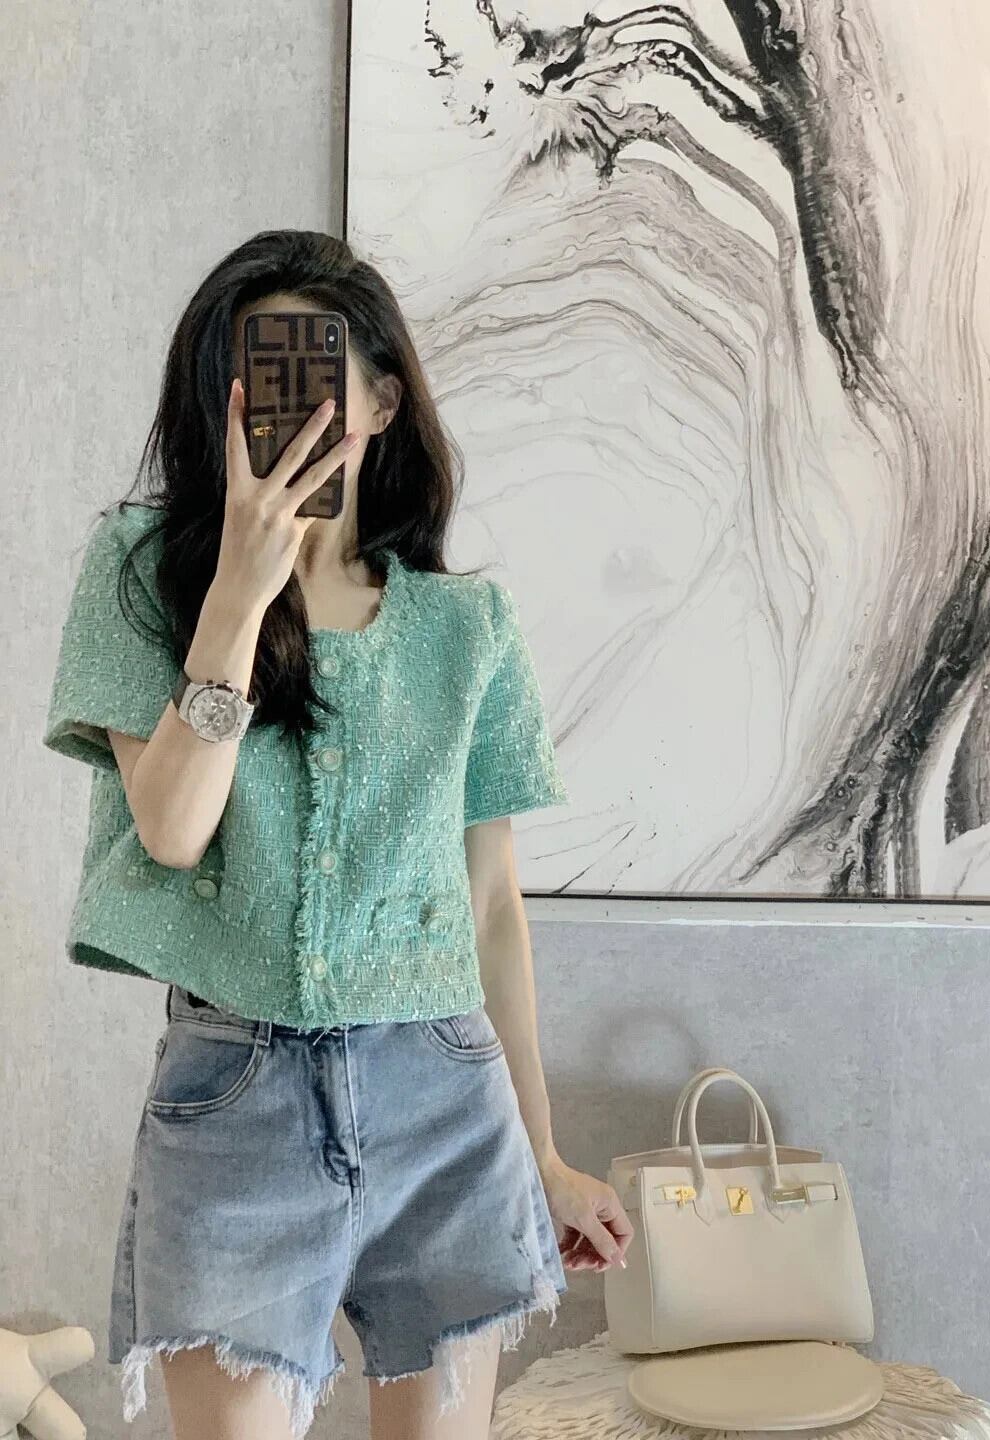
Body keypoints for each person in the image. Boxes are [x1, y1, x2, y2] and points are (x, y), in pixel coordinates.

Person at [42, 229, 634, 1440]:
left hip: (444, 1098)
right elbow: (170, 828)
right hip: (236, 1100)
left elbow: (490, 907)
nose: (270, 408)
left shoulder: (467, 627)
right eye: (243, 378)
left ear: (381, 401)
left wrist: (543, 1152)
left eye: (306, 374)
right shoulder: (141, 573)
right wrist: (237, 593)